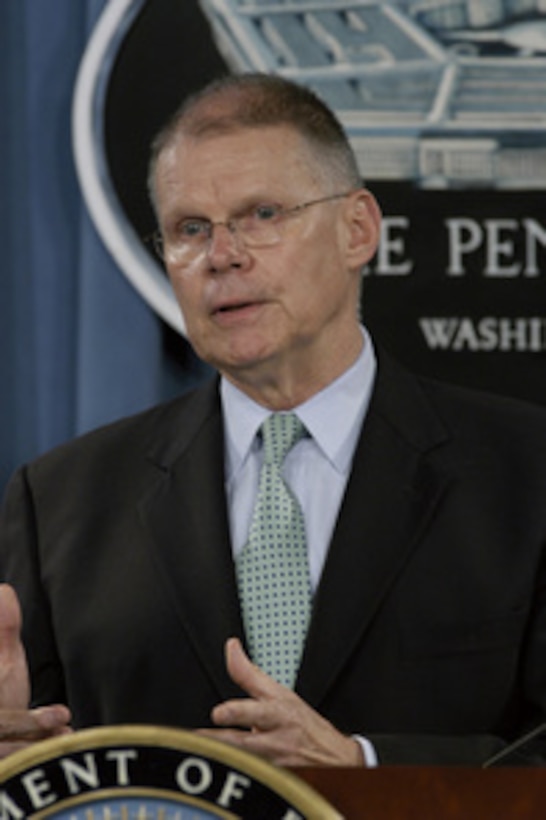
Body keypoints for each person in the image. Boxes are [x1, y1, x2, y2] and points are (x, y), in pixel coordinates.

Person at [1, 73, 546, 768]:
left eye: (262, 214)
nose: (221, 256)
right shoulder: (61, 502)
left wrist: (365, 768)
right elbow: (50, 774)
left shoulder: (527, 475)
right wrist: (15, 761)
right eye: (189, 229)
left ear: (357, 230)